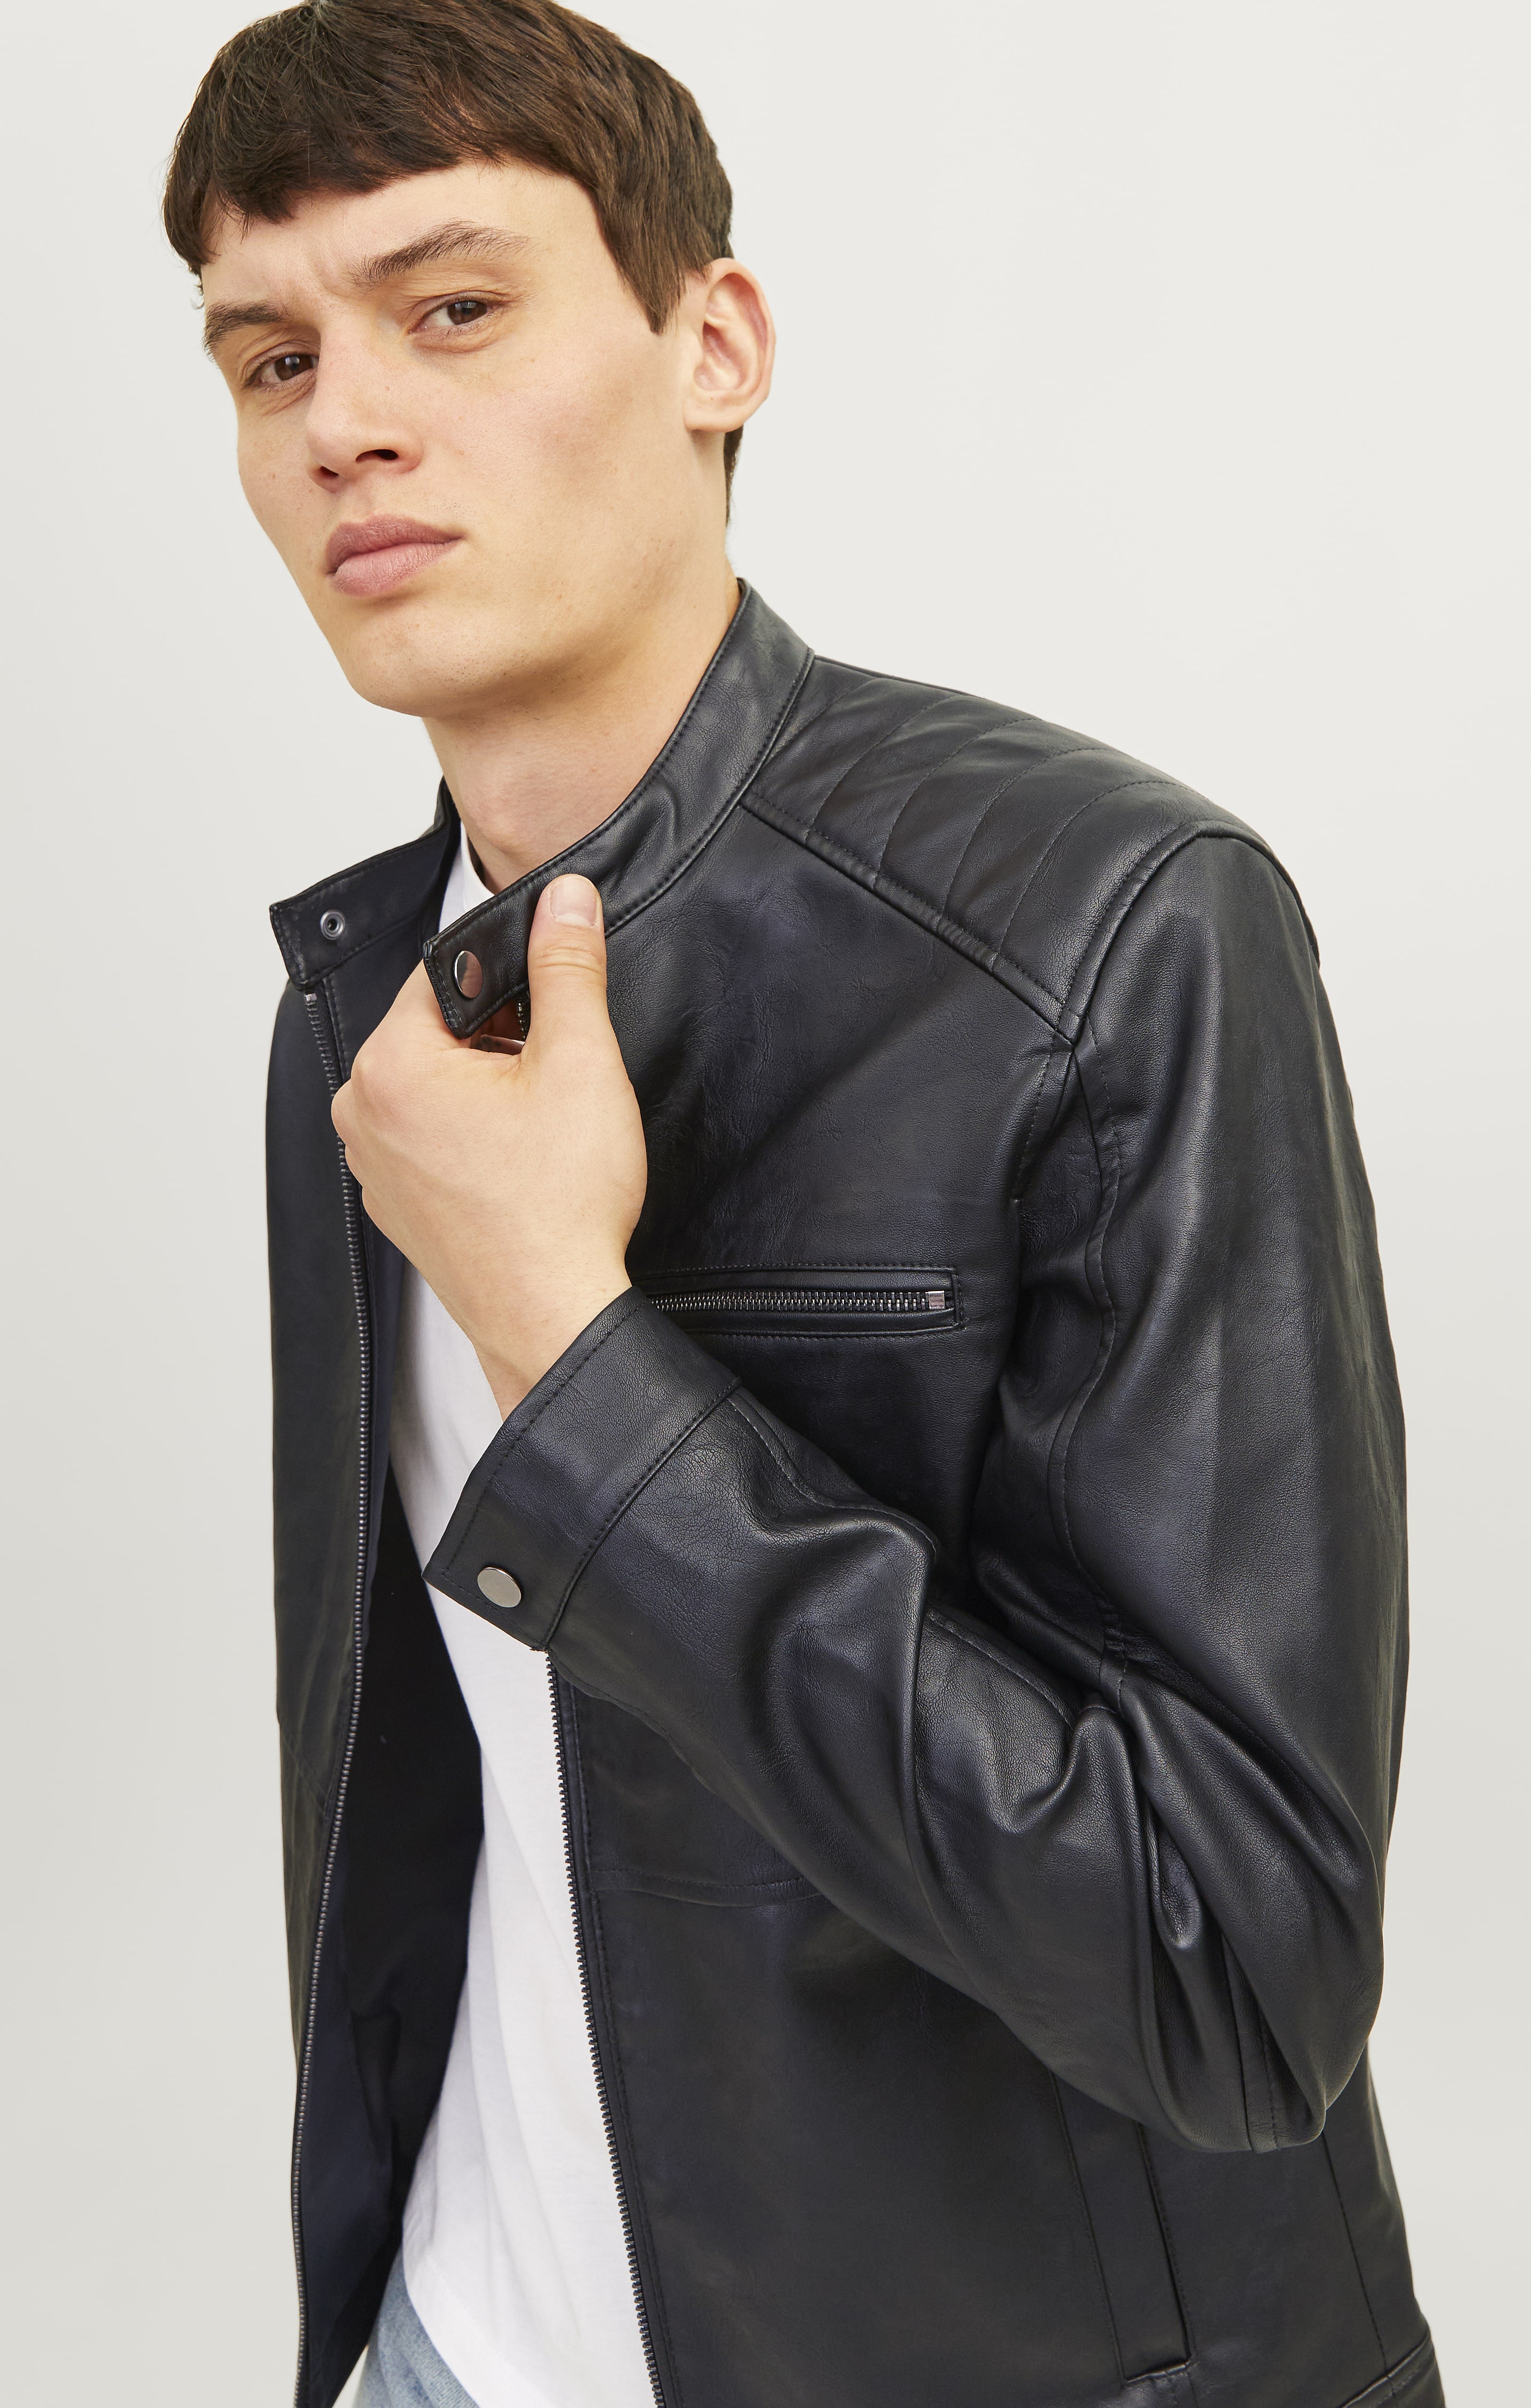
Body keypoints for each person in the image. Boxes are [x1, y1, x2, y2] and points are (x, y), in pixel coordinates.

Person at [166, 5, 1441, 2404]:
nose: (344, 421)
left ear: (713, 344)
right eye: (269, 357)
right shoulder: (365, 1023)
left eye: (454, 307)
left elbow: (1236, 1961)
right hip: (460, 2344)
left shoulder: (1107, 931)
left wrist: (577, 1352)